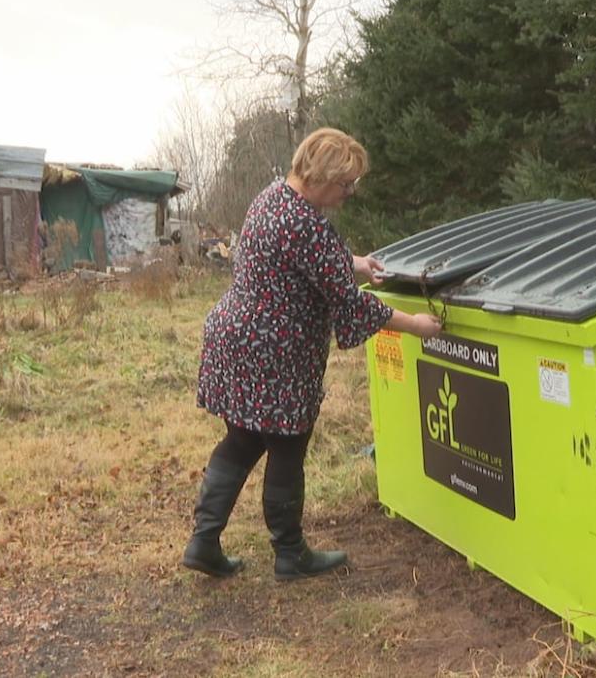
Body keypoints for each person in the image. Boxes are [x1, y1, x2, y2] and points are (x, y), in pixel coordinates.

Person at [183, 127, 443, 581]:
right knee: (287, 445)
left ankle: (203, 542)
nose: (348, 194)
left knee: (242, 439)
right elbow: (352, 302)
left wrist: (354, 262)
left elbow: (308, 260)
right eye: (345, 184)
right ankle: (290, 553)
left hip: (235, 337)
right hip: (275, 351)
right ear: (323, 176)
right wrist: (415, 325)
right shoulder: (305, 223)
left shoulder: (273, 198)